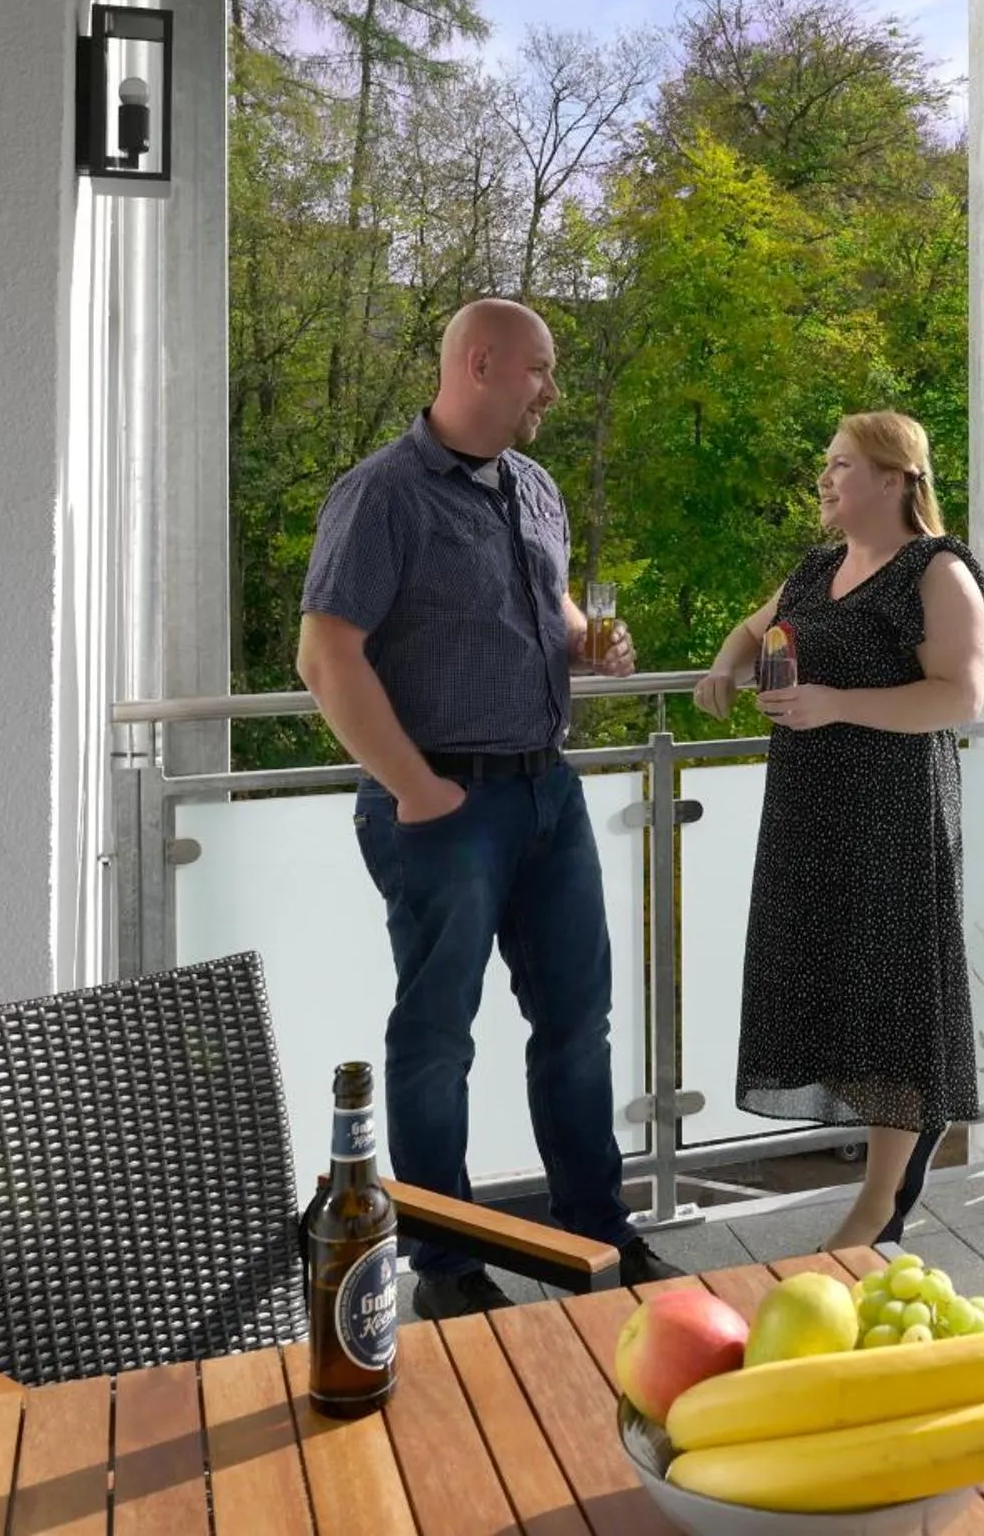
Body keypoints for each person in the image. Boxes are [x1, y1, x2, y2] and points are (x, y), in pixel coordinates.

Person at [297, 297, 681, 1316]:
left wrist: (586, 641)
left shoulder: (534, 485)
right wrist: (417, 787)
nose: (551, 388)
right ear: (480, 362)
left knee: (575, 1022)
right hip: (444, 803)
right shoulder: (381, 496)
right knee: (437, 1039)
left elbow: (548, 606)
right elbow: (325, 654)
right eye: (540, 369)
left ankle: (593, 1236)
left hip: (546, 789)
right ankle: (446, 1266)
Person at [694, 410, 984, 1250]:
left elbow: (960, 697)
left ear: (897, 478)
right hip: (809, 820)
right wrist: (725, 666)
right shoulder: (818, 565)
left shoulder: (937, 571)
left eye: (841, 466)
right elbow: (753, 631)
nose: (825, 479)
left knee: (890, 999)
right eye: (825, 465)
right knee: (836, 990)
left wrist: (835, 706)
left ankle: (877, 1206)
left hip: (893, 819)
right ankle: (884, 1181)